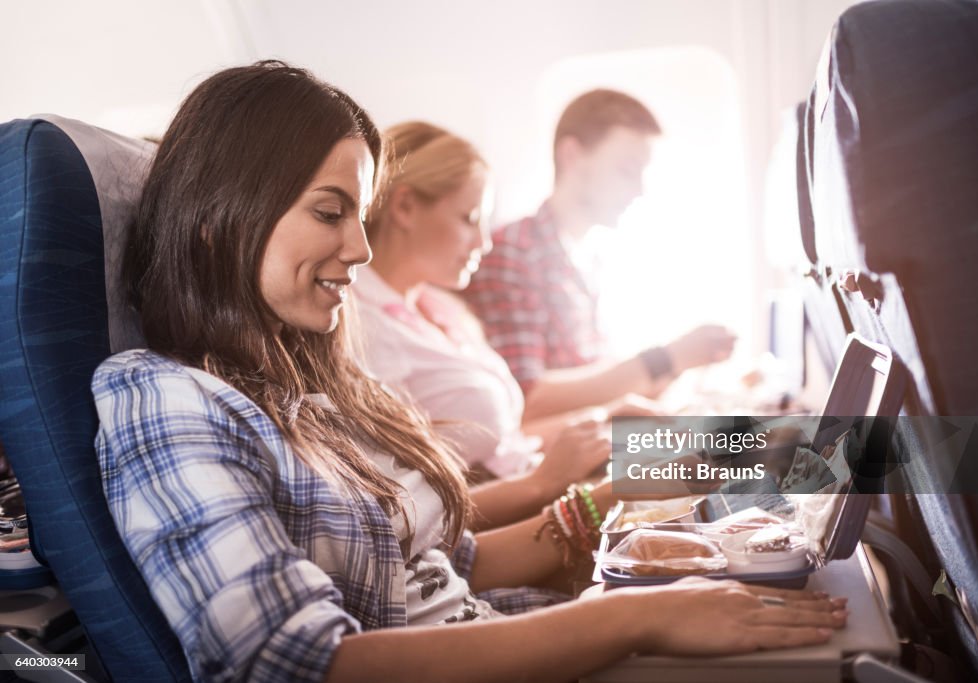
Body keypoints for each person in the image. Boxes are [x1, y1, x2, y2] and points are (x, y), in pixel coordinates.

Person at [93, 61, 846, 683]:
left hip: (510, 592)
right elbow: (292, 662)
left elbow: (445, 561)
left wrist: (610, 495)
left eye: (357, 214)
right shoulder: (163, 394)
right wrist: (633, 612)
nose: (359, 247)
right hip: (501, 621)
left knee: (841, 492)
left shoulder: (318, 379)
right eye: (331, 213)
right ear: (217, 216)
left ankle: (935, 455)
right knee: (843, 619)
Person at [355, 121, 615, 528]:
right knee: (705, 471)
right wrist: (545, 481)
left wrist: (607, 419)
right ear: (404, 208)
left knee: (724, 449)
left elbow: (503, 440)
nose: (484, 242)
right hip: (517, 517)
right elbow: (411, 517)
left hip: (536, 480)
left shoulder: (439, 308)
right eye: (469, 218)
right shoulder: (362, 327)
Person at [463, 89, 737, 424]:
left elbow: (597, 378)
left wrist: (678, 369)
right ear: (572, 155)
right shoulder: (513, 253)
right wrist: (664, 360)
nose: (639, 190)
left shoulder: (590, 260)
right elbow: (525, 397)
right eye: (626, 170)